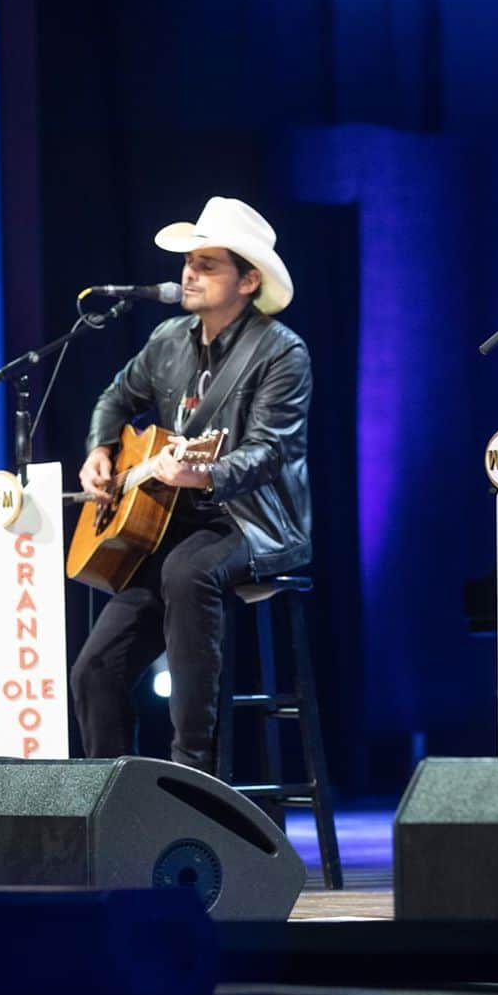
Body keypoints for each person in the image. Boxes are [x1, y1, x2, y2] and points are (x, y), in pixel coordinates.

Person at [70, 197, 312, 775]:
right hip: (174, 524)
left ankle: (196, 774)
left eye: (207, 264)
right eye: (189, 263)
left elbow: (270, 451)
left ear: (249, 280)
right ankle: (114, 798)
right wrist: (100, 449)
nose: (189, 274)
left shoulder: (281, 352)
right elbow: (115, 397)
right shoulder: (169, 341)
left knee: (188, 571)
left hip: (251, 522)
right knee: (94, 670)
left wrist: (202, 471)